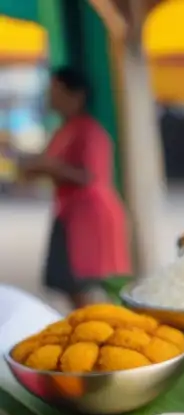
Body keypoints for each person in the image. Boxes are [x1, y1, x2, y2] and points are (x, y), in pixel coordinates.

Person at [18, 66, 130, 308]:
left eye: (56, 91)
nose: (50, 97)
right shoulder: (65, 129)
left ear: (76, 96)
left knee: (84, 284)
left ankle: (95, 331)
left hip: (89, 217)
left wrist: (49, 167)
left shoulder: (90, 131)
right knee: (68, 284)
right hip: (69, 214)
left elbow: (89, 175)